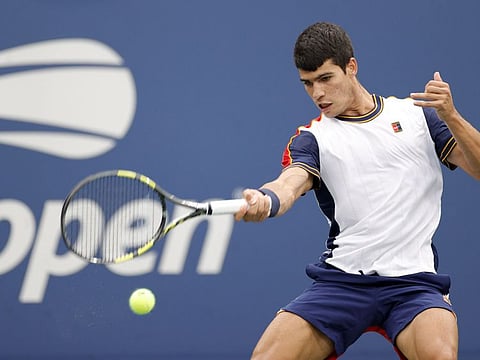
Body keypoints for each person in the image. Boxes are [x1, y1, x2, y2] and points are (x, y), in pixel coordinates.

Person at [235, 22, 480, 360]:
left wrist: (451, 116)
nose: (317, 93)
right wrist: (267, 199)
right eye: (307, 84)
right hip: (342, 282)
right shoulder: (313, 138)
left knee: (439, 356)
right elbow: (288, 185)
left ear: (351, 67)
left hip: (414, 283)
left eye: (325, 78)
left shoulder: (418, 117)